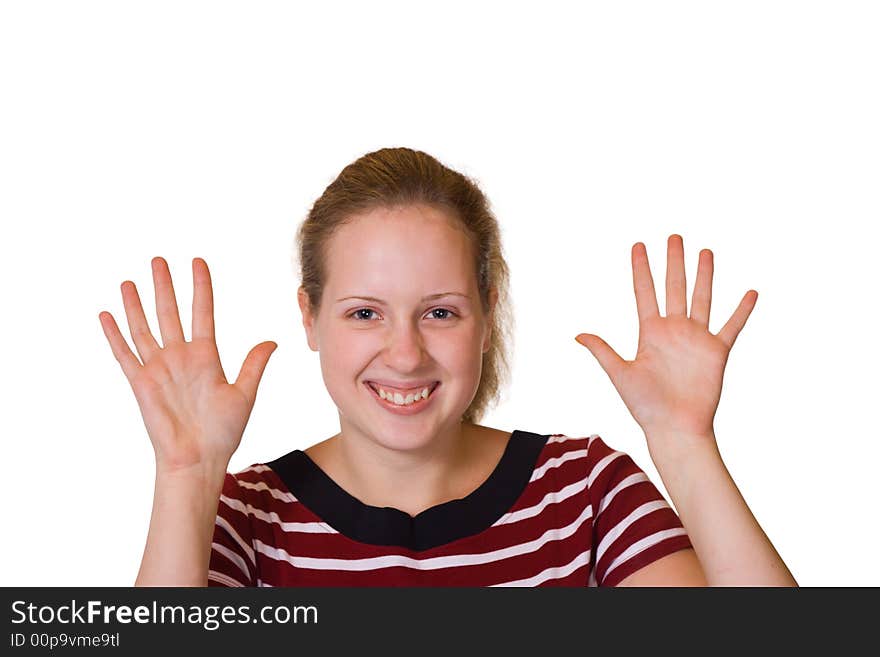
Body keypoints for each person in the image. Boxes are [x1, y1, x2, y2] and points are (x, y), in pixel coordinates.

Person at [98, 147, 797, 587]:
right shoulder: (245, 518)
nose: (404, 354)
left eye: (440, 312)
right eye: (364, 312)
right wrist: (186, 479)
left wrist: (685, 443)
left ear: (487, 317)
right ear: (309, 317)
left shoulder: (585, 492)